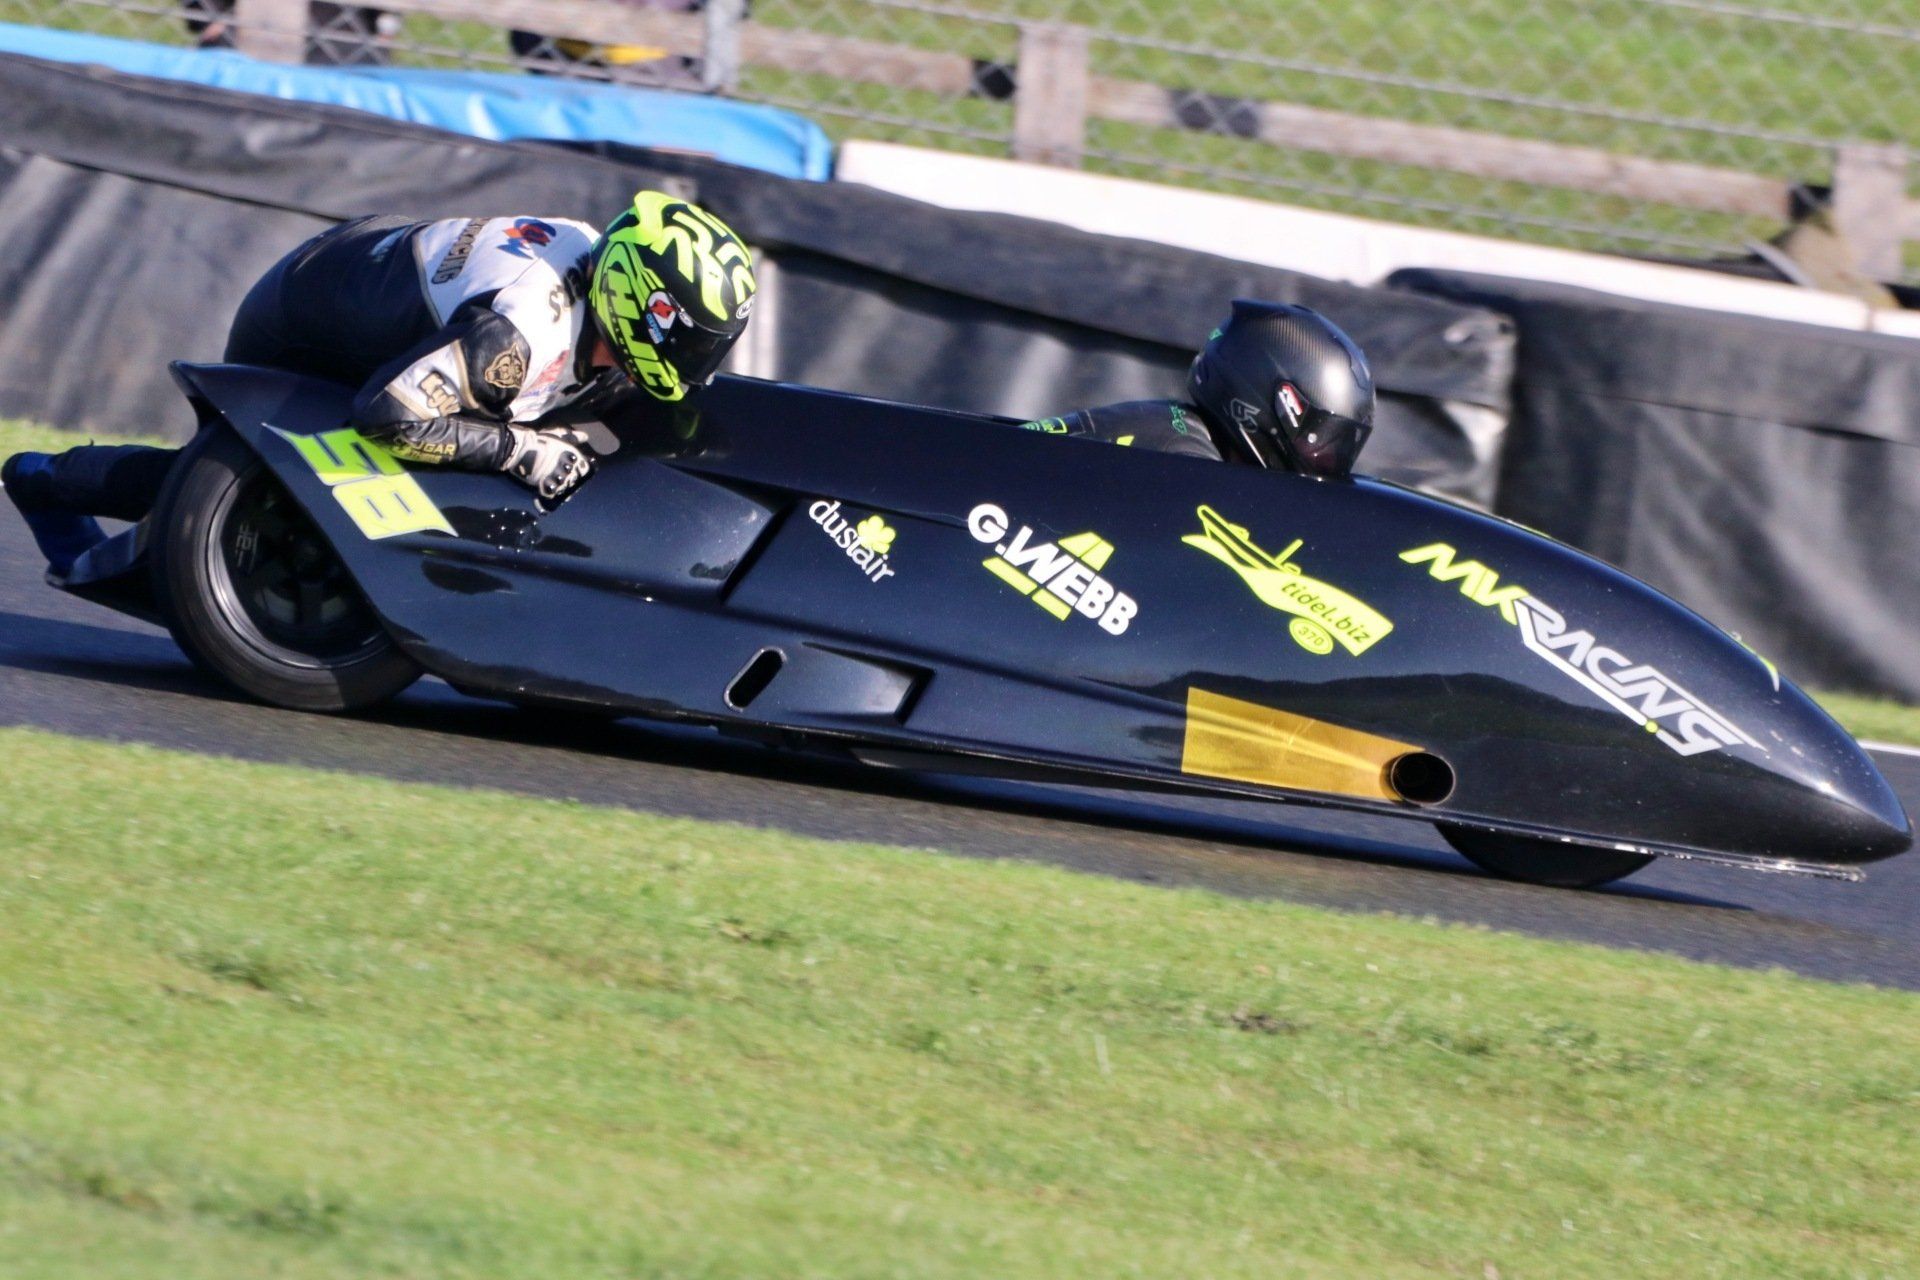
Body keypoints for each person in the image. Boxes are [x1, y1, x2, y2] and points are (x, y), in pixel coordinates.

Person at [2, 191, 756, 576]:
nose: (698, 363)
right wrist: (523, 452)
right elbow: (390, 415)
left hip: (378, 276)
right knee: (259, 500)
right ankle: (43, 479)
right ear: (638, 303)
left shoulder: (591, 275)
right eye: (691, 341)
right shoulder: (520, 335)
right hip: (305, 328)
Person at [1018, 300, 1376, 477]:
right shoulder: (1185, 461)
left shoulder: (1185, 435)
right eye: (1319, 442)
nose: (1328, 464)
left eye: (1341, 450)